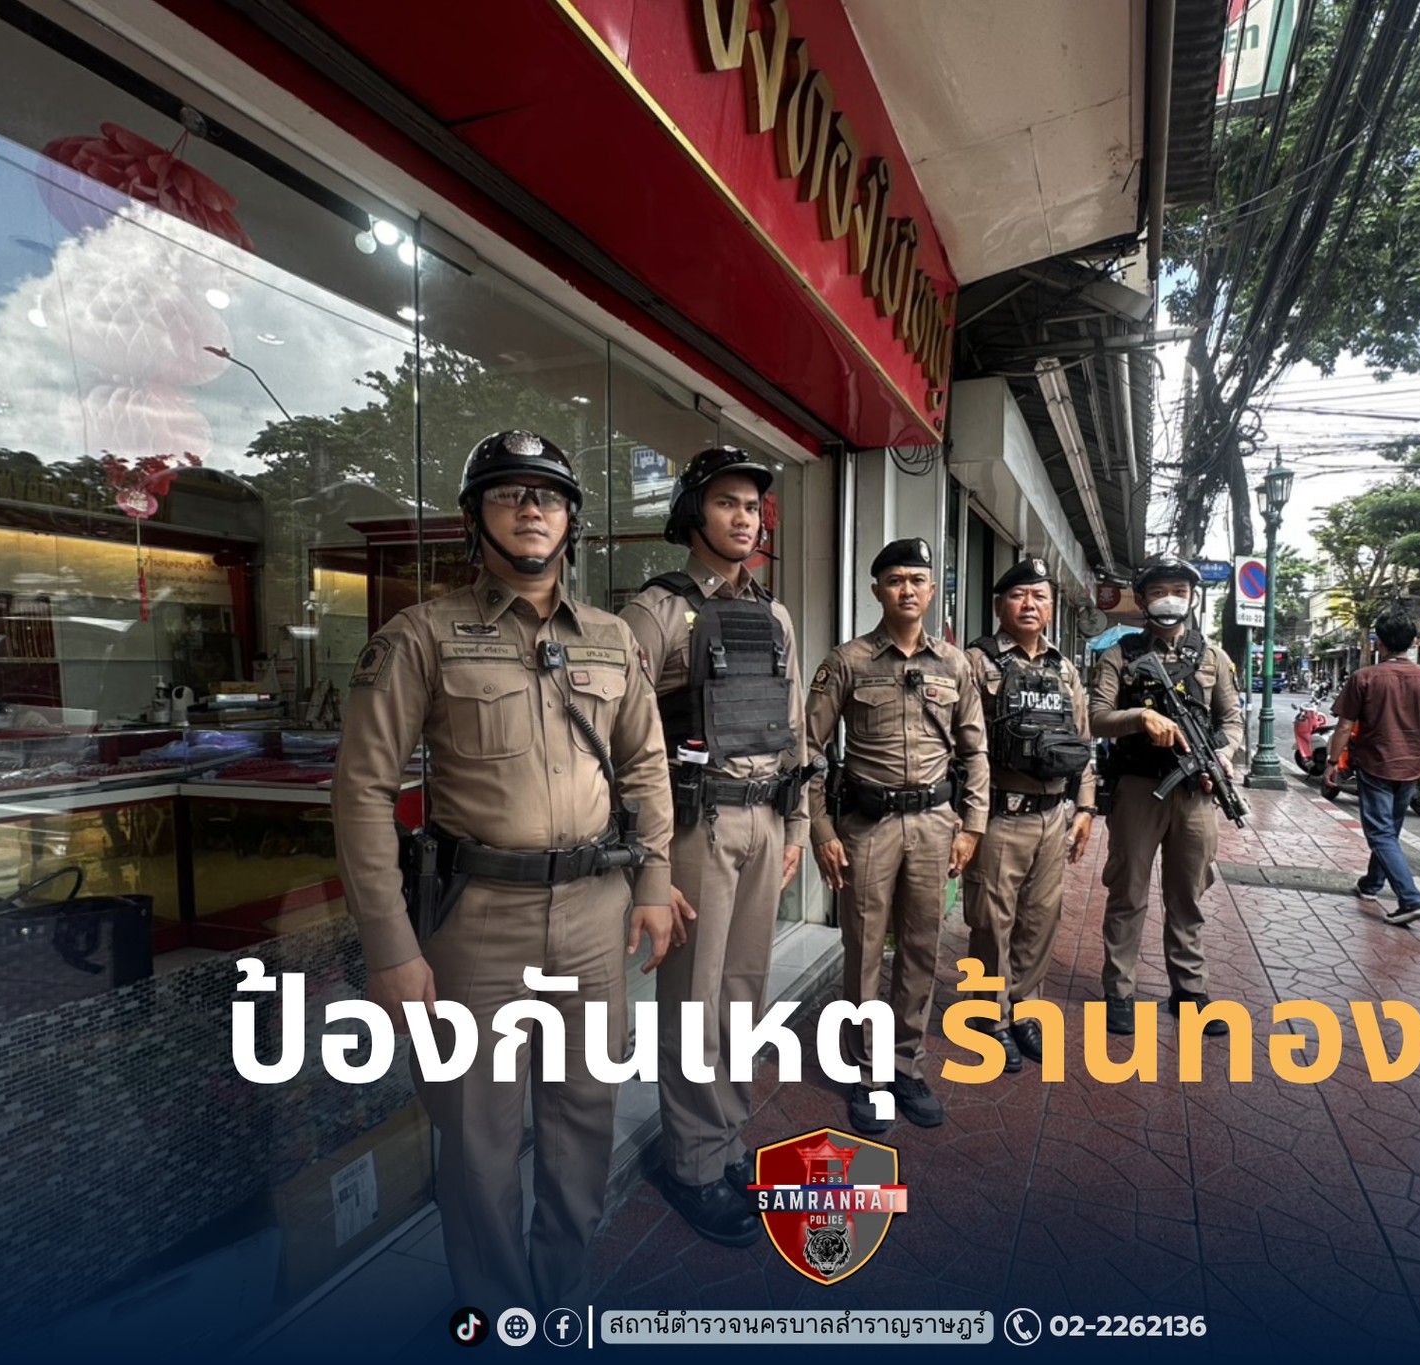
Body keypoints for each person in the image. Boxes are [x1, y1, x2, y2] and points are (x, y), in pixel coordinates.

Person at [332, 430, 677, 1312]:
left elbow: (646, 765)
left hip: (595, 911)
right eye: (508, 493)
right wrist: (391, 946)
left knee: (584, 1117)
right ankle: (496, 1309)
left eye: (548, 495)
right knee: (479, 1135)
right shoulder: (422, 635)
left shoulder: (611, 639)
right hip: (478, 922)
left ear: (571, 521)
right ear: (474, 518)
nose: (531, 508)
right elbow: (362, 792)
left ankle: (561, 1295)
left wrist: (651, 880)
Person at [620, 447, 808, 1248]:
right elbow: (618, 739)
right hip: (696, 826)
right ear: (693, 511)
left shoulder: (775, 614)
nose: (744, 517)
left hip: (764, 820)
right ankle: (692, 1161)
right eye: (727, 502)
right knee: (694, 1000)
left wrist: (798, 825)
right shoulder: (658, 610)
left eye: (753, 506)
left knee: (741, 995)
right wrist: (650, 861)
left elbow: (795, 729)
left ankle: (726, 1139)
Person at [807, 538, 990, 1134]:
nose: (907, 589)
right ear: (876, 590)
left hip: (935, 826)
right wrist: (821, 828)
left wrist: (973, 825)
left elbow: (975, 752)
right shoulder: (847, 662)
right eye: (895, 580)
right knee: (863, 950)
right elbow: (808, 749)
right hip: (868, 827)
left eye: (917, 579)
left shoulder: (955, 665)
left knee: (921, 947)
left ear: (932, 591)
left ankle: (906, 1063)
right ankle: (866, 1072)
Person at [1090, 554, 1243, 1038]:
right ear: (1142, 599)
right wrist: (1140, 717)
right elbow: (1095, 717)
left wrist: (1224, 755)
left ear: (1193, 597)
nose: (1169, 599)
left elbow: (1231, 719)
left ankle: (1190, 991)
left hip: (1196, 793)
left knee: (1188, 894)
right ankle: (1119, 990)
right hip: (1139, 789)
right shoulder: (1120, 655)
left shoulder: (1213, 657)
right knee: (1128, 891)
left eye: (1179, 590)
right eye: (1159, 591)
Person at [961, 556, 1097, 1070]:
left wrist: (1085, 807)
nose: (1030, 605)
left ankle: (1024, 1010)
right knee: (991, 923)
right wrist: (967, 821)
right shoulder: (977, 662)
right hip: (1000, 814)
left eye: (1040, 596)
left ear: (1052, 607)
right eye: (1019, 595)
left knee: (1040, 919)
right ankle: (988, 1016)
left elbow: (1081, 741)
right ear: (1000, 605)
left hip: (1052, 816)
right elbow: (961, 746)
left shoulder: (1064, 668)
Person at [1323, 612, 1420, 926]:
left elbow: (1344, 726)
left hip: (1375, 764)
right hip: (1412, 767)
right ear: (1413, 643)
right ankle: (1371, 884)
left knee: (1380, 833)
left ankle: (1410, 899)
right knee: (1388, 831)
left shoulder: (1364, 678)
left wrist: (1332, 763)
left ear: (1378, 642)